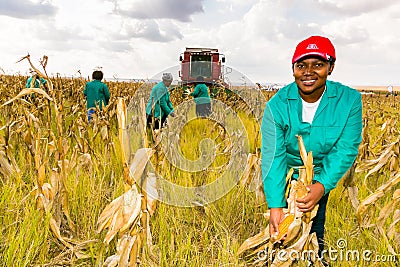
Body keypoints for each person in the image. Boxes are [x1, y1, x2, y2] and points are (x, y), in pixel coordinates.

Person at [261, 36, 362, 261]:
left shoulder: (350, 101)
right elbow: (273, 156)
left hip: (321, 175)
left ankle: (316, 259)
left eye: (317, 65)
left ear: (330, 67)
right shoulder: (276, 106)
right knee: (282, 234)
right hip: (287, 176)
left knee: (315, 230)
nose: (308, 72)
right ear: (293, 69)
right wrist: (276, 205)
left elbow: (345, 149)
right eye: (301, 65)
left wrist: (321, 186)